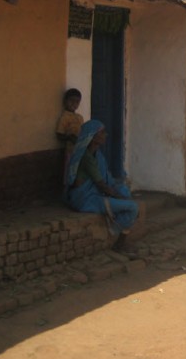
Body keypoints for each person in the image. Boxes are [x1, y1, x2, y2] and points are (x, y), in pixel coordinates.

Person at [64, 120, 138, 250]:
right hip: (86, 199)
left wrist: (119, 193)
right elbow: (101, 185)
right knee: (132, 207)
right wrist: (120, 197)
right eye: (102, 132)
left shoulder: (97, 155)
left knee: (124, 190)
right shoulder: (87, 158)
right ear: (93, 137)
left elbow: (107, 180)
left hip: (95, 193)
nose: (106, 135)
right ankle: (120, 241)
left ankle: (118, 219)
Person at [56, 88, 84, 162]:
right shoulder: (64, 117)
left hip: (80, 148)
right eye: (71, 101)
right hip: (71, 150)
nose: (74, 104)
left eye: (77, 102)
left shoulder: (80, 117)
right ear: (65, 101)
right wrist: (70, 138)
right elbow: (59, 134)